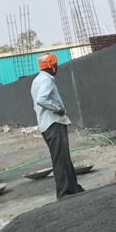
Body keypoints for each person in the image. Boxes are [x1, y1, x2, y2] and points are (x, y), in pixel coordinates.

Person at [30, 53, 84, 199]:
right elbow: (41, 99)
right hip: (54, 123)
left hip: (46, 125)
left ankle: (74, 188)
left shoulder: (37, 80)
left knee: (63, 157)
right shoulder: (46, 80)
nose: (57, 67)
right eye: (55, 64)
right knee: (60, 159)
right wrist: (57, 109)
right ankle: (64, 193)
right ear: (51, 66)